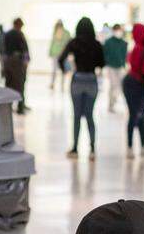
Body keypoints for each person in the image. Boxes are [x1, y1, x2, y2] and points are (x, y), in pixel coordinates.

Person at [58, 17, 105, 160]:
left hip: (77, 79)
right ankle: (92, 149)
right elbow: (102, 63)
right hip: (91, 79)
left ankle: (75, 148)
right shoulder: (96, 44)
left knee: (77, 116)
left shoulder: (74, 42)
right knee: (90, 116)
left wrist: (66, 70)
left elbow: (61, 58)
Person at [121, 23, 144, 159]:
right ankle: (130, 147)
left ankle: (142, 146)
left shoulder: (142, 48)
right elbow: (141, 69)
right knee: (135, 116)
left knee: (140, 117)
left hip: (137, 84)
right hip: (134, 85)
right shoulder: (140, 48)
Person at [2, 18, 29, 114]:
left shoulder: (7, 34)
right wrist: (26, 62)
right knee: (20, 85)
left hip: (8, 63)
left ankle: (7, 106)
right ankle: (20, 108)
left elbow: (3, 50)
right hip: (17, 63)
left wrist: (3, 66)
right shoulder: (19, 34)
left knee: (8, 84)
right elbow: (25, 50)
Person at [102, 23, 128, 113]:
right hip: (111, 67)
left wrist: (124, 65)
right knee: (113, 86)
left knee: (120, 86)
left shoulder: (124, 43)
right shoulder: (108, 42)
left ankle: (115, 102)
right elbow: (105, 54)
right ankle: (111, 105)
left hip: (120, 67)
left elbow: (125, 55)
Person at [48, 19, 70, 92]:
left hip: (63, 54)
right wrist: (50, 52)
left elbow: (68, 43)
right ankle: (53, 84)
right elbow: (52, 43)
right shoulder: (55, 32)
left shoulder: (66, 33)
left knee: (62, 70)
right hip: (55, 54)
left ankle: (62, 85)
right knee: (55, 70)